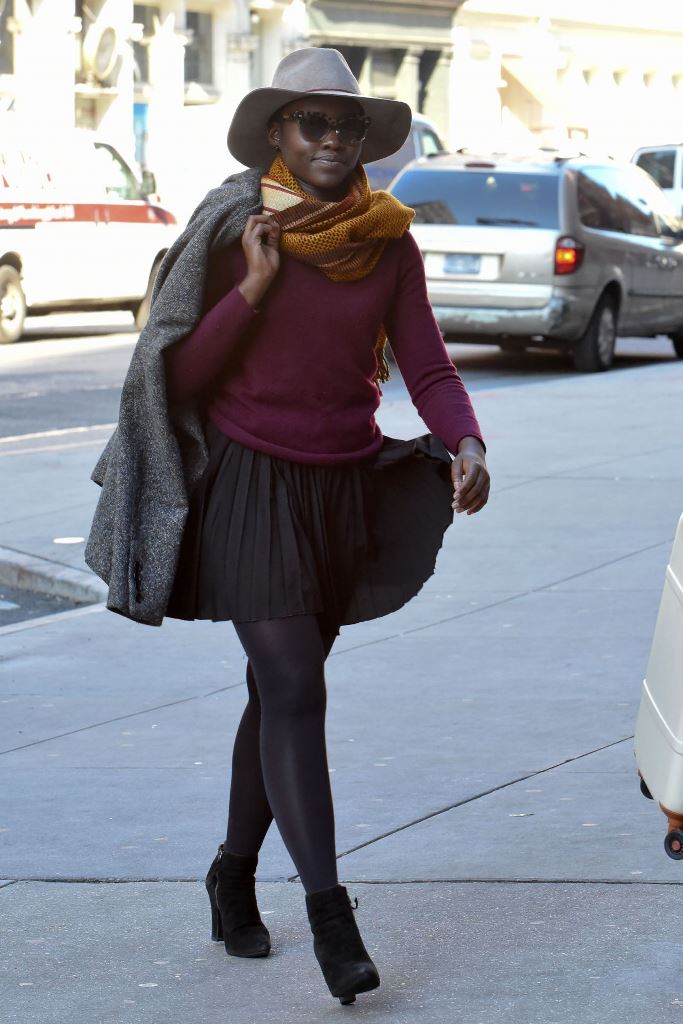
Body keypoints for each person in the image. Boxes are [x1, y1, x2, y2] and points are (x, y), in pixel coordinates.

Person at [86, 46, 489, 1008]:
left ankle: (232, 871)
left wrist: (465, 439)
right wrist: (254, 287)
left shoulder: (387, 239)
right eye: (314, 123)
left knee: (277, 695)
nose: (333, 141)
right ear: (277, 132)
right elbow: (172, 379)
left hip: (340, 486)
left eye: (347, 126)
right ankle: (330, 916)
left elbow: (426, 365)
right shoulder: (235, 230)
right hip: (249, 481)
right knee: (295, 684)